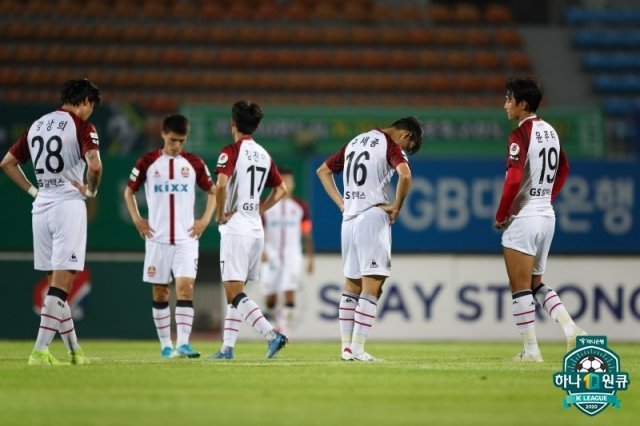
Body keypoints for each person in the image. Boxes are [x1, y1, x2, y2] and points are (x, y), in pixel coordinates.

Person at [0, 78, 102, 366]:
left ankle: (74, 351)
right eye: (91, 106)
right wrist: (91, 191)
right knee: (62, 283)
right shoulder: (82, 127)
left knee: (56, 285)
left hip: (41, 206)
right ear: (85, 101)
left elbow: (7, 163)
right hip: (67, 205)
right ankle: (40, 351)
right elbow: (95, 165)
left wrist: (33, 191)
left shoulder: (37, 125)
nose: (90, 112)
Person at [494, 77, 586, 363]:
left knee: (519, 287)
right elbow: (564, 168)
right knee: (535, 284)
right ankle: (571, 328)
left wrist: (502, 214)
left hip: (526, 218)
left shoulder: (520, 136)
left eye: (509, 99)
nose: (505, 104)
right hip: (546, 215)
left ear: (523, 104)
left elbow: (513, 180)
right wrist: (547, 196)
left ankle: (531, 351)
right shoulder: (551, 131)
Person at [316, 116, 423, 362]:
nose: (405, 149)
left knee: (352, 286)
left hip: (349, 220)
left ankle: (346, 348)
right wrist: (397, 206)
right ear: (407, 134)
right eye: (409, 145)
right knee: (373, 286)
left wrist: (342, 203)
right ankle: (358, 349)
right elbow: (405, 175)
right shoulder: (390, 145)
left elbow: (322, 171)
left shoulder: (355, 141)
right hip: (372, 217)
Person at [124, 114, 216, 359]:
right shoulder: (147, 162)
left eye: (182, 141)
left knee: (185, 289)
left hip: (186, 239)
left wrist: (205, 220)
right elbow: (128, 192)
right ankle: (166, 346)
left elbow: (213, 192)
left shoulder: (194, 163)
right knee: (161, 292)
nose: (177, 146)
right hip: (157, 239)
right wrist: (137, 219)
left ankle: (183, 344)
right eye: (173, 140)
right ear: (163, 134)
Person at [209, 100, 288, 360]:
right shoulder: (264, 154)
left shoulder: (231, 151)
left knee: (233, 292)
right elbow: (281, 190)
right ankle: (227, 348)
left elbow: (220, 185)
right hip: (255, 229)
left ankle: (272, 335)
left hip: (237, 228)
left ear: (233, 122)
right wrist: (261, 209)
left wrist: (220, 214)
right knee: (237, 291)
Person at [259, 168, 314, 335]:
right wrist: (261, 251)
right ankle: (274, 325)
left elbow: (306, 233)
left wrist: (311, 258)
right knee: (270, 297)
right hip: (271, 255)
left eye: (289, 181)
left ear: (293, 183)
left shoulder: (300, 206)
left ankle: (284, 331)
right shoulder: (265, 205)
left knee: (290, 292)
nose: (286, 184)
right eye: (283, 180)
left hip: (292, 255)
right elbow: (258, 230)